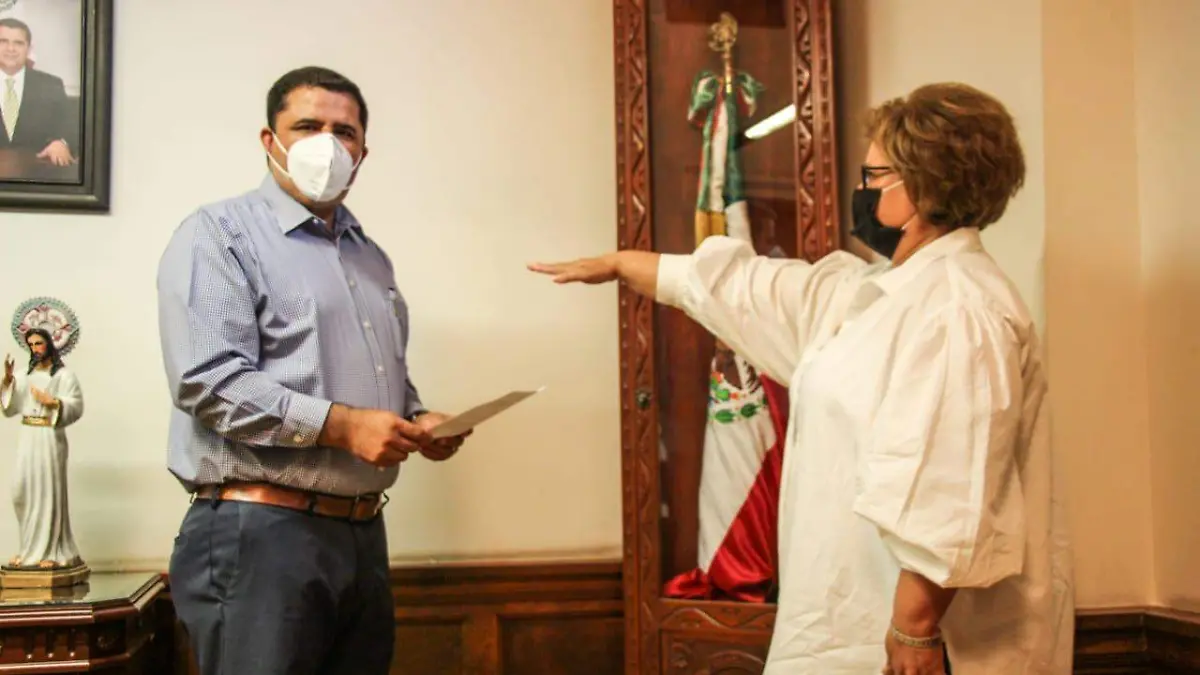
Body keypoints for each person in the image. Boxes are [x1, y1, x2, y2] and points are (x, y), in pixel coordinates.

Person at [530, 82, 1074, 674]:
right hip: (849, 619)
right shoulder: (876, 293)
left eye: (873, 175)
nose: (863, 191)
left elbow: (952, 487)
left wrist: (914, 631)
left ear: (923, 186)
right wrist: (620, 264)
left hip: (917, 643)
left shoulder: (958, 310)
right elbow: (752, 289)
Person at [157, 65, 471, 675]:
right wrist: (343, 426)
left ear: (362, 153)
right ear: (269, 140)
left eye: (343, 132)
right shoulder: (218, 234)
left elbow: (382, 376)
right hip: (258, 533)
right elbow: (208, 380)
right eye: (307, 126)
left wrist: (417, 419)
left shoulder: (370, 256)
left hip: (362, 533)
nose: (327, 144)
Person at [1, 327, 84, 570]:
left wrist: (54, 402)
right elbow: (9, 407)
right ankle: (28, 550)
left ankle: (51, 551)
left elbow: (76, 405)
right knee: (21, 490)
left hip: (50, 436)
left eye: (39, 343)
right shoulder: (23, 375)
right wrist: (7, 381)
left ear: (49, 344)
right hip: (28, 436)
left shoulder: (64, 376)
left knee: (48, 493)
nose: (35, 349)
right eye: (31, 345)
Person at [0, 18, 73, 166]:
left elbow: (71, 129)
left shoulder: (51, 86)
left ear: (29, 49)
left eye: (18, 43)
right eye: (3, 41)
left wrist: (62, 143)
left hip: (39, 172)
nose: (10, 49)